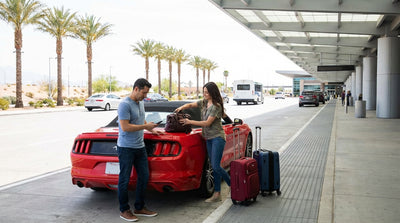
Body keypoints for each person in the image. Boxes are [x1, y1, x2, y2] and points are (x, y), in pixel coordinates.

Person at [175, 82, 230, 203]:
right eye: (203, 91)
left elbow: (207, 123)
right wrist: (182, 107)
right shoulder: (204, 102)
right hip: (208, 138)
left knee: (215, 166)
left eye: (206, 92)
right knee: (214, 167)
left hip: (217, 138)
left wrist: (190, 122)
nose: (204, 94)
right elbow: (191, 104)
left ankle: (233, 185)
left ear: (212, 92)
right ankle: (217, 194)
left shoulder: (216, 106)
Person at [117, 78, 163, 222]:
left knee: (144, 177)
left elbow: (140, 119)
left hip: (140, 146)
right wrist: (145, 127)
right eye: (143, 92)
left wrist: (152, 129)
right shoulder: (124, 105)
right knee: (124, 179)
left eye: (147, 93)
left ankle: (139, 207)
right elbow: (125, 127)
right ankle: (124, 210)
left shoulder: (141, 102)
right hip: (126, 148)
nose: (145, 96)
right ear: (136, 89)